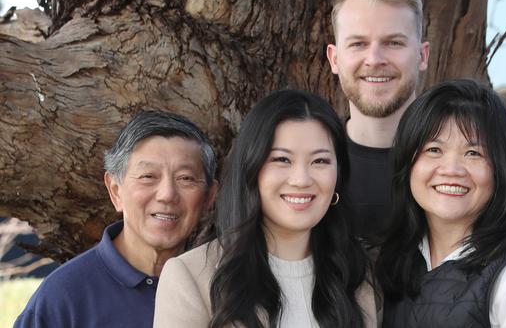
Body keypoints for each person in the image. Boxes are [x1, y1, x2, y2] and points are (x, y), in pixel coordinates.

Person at [325, 0, 506, 325]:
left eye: (394, 42)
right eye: (358, 43)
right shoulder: (316, 166)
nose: (375, 58)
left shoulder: (475, 172)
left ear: (422, 54)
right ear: (334, 58)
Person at [153, 90, 377, 328]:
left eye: (320, 161)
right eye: (282, 160)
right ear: (252, 167)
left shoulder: (358, 274)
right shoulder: (191, 276)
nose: (301, 179)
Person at [377, 79, 506, 327]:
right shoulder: (400, 257)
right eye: (434, 149)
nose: (452, 170)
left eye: (473, 153)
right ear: (408, 162)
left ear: (500, 169)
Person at [14, 111, 218, 328]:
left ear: (209, 197)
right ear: (115, 191)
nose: (167, 194)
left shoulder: (226, 286)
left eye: (185, 178)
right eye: (148, 176)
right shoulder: (64, 297)